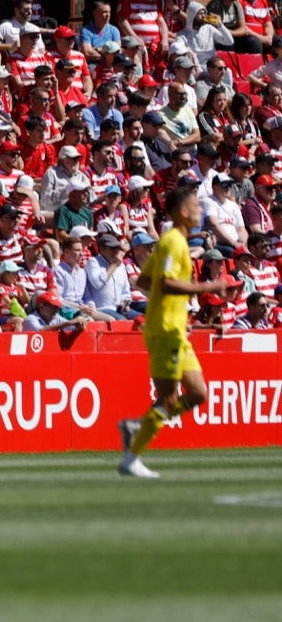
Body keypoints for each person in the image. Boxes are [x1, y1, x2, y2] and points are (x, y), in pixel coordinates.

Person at [116, 185, 226, 479]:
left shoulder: (174, 242)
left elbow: (143, 280)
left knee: (199, 393)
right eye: (196, 207)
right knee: (167, 398)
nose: (200, 211)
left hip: (176, 328)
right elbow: (164, 283)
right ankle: (131, 458)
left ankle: (138, 426)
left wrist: (174, 309)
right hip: (165, 330)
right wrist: (206, 287)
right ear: (182, 211)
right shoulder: (173, 242)